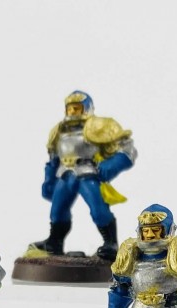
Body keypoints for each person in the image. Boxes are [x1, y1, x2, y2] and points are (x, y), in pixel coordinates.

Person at [30, 91, 136, 260]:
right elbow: (53, 158)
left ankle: (110, 243)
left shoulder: (99, 126)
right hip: (65, 174)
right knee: (57, 210)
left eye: (77, 108)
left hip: (87, 173)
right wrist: (49, 179)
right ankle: (54, 242)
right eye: (70, 108)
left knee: (98, 209)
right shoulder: (58, 131)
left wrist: (112, 163)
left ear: (87, 108)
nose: (73, 112)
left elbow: (127, 148)